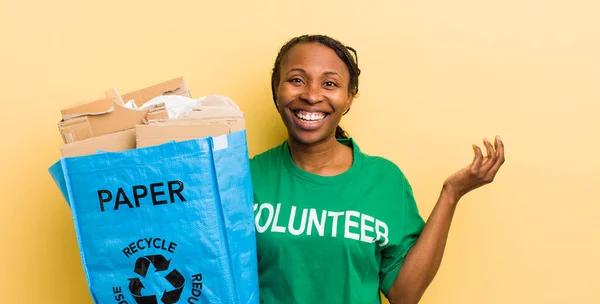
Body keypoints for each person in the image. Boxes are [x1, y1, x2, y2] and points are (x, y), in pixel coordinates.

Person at [249, 34, 505, 304]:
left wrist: (451, 193)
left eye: (330, 83)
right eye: (297, 80)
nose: (312, 95)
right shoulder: (245, 178)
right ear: (277, 90)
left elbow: (405, 295)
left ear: (349, 98)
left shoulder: (384, 180)